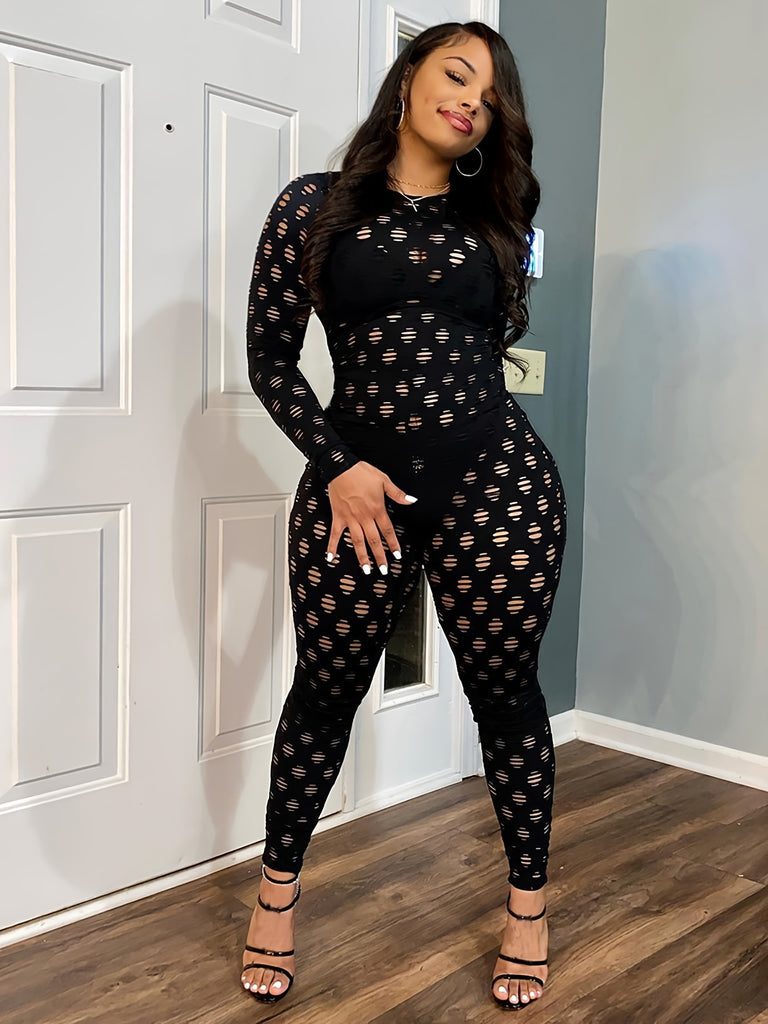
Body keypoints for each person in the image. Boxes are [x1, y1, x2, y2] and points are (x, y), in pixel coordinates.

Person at [240, 20, 567, 1012]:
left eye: (491, 98)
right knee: (325, 691)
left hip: (497, 485)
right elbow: (270, 358)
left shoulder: (495, 218)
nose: (472, 100)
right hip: (356, 492)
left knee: (505, 696)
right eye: (457, 74)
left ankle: (527, 909)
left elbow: (487, 350)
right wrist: (339, 466)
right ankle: (275, 895)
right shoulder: (314, 205)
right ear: (410, 77)